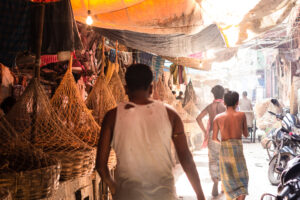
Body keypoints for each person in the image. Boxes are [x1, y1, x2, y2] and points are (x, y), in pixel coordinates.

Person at [96, 64, 205, 200]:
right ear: (151, 88)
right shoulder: (170, 114)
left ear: (126, 89)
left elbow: (100, 165)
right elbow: (186, 159)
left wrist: (114, 188)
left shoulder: (111, 117)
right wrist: (200, 195)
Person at [212, 91, 249, 200]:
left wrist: (224, 144)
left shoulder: (218, 118)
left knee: (228, 179)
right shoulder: (242, 115)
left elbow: (214, 138)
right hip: (237, 150)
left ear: (224, 103)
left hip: (225, 151)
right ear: (237, 102)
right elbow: (246, 134)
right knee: (242, 178)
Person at [196, 85, 226, 197]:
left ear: (213, 94)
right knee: (224, 159)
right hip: (223, 136)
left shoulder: (209, 107)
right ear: (223, 95)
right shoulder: (226, 107)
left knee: (213, 160)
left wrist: (205, 131)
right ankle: (223, 184)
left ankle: (215, 182)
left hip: (212, 134)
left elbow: (198, 118)